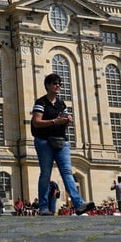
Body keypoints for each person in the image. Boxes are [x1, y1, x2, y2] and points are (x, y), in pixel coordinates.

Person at [31, 73, 96, 217]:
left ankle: (79, 204)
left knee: (67, 172)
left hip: (61, 141)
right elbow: (36, 122)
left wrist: (67, 120)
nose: (58, 86)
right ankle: (43, 207)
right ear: (47, 85)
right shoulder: (41, 102)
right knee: (45, 174)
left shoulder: (61, 103)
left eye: (59, 83)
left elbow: (64, 119)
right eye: (55, 83)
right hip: (44, 142)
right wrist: (55, 121)